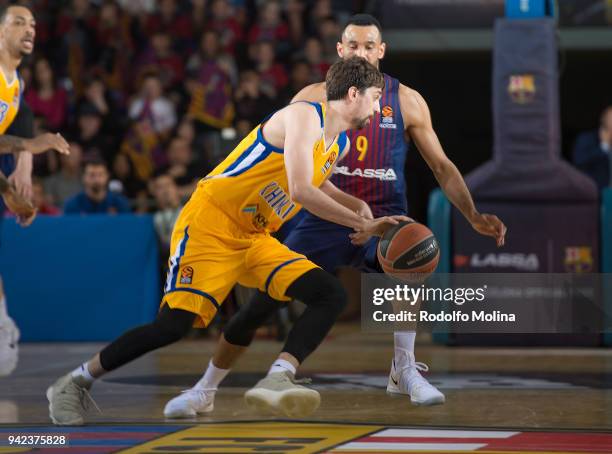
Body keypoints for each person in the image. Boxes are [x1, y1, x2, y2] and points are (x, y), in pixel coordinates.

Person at [164, 14, 507, 419]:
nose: (361, 52)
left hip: (382, 212)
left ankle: (403, 368)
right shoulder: (311, 95)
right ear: (341, 50)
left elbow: (442, 167)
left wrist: (471, 215)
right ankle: (205, 388)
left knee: (409, 273)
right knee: (261, 304)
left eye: (369, 46)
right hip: (324, 214)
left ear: (381, 51)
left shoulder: (407, 100)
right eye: (353, 45)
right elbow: (282, 166)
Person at [47, 57, 404, 425]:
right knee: (173, 326)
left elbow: (318, 178)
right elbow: (300, 190)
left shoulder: (339, 145)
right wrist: (367, 225)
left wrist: (358, 205)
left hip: (254, 235)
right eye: (376, 97)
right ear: (352, 94)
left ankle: (276, 376)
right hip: (211, 223)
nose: (379, 108)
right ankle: (75, 382)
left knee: (329, 294)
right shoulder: (303, 116)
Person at [0, 4, 71, 377]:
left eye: (32, 24)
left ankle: (1, 323)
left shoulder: (16, 85)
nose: (29, 29)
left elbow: (18, 118)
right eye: (18, 22)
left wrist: (12, 188)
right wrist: (30, 146)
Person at [63, 160, 131, 215]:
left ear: (107, 177)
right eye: (92, 175)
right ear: (83, 177)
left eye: (100, 175)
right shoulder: (72, 204)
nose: (96, 180)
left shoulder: (120, 204)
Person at [573, 105, 612, 190]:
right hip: (596, 194)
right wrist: (604, 146)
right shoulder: (587, 138)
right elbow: (579, 162)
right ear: (603, 120)